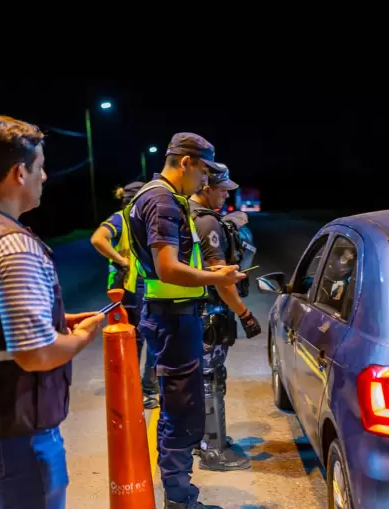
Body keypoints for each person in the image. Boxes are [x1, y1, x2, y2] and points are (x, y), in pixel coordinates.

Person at [0, 115, 107, 509]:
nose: (44, 177)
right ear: (18, 173)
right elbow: (35, 354)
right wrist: (80, 339)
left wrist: (53, 323)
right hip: (12, 431)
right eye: (39, 167)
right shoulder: (11, 244)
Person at [122, 132, 245, 509]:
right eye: (204, 172)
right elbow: (168, 268)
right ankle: (179, 500)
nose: (205, 181)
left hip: (168, 314)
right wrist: (216, 279)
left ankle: (180, 496)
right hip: (173, 318)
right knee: (181, 413)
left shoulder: (154, 195)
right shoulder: (163, 201)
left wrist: (211, 275)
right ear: (186, 162)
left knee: (180, 409)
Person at [188, 164, 262, 472]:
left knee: (202, 378)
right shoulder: (207, 221)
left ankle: (204, 439)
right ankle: (214, 450)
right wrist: (245, 314)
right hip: (210, 312)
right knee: (210, 379)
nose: (226, 196)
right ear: (207, 188)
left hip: (195, 310)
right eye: (222, 190)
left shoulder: (190, 213)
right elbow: (221, 278)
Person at [91, 180, 159, 409]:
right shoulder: (121, 218)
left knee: (151, 334)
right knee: (138, 338)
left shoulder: (140, 220)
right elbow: (97, 239)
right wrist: (121, 260)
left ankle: (147, 386)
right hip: (130, 288)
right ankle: (137, 390)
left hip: (144, 285)